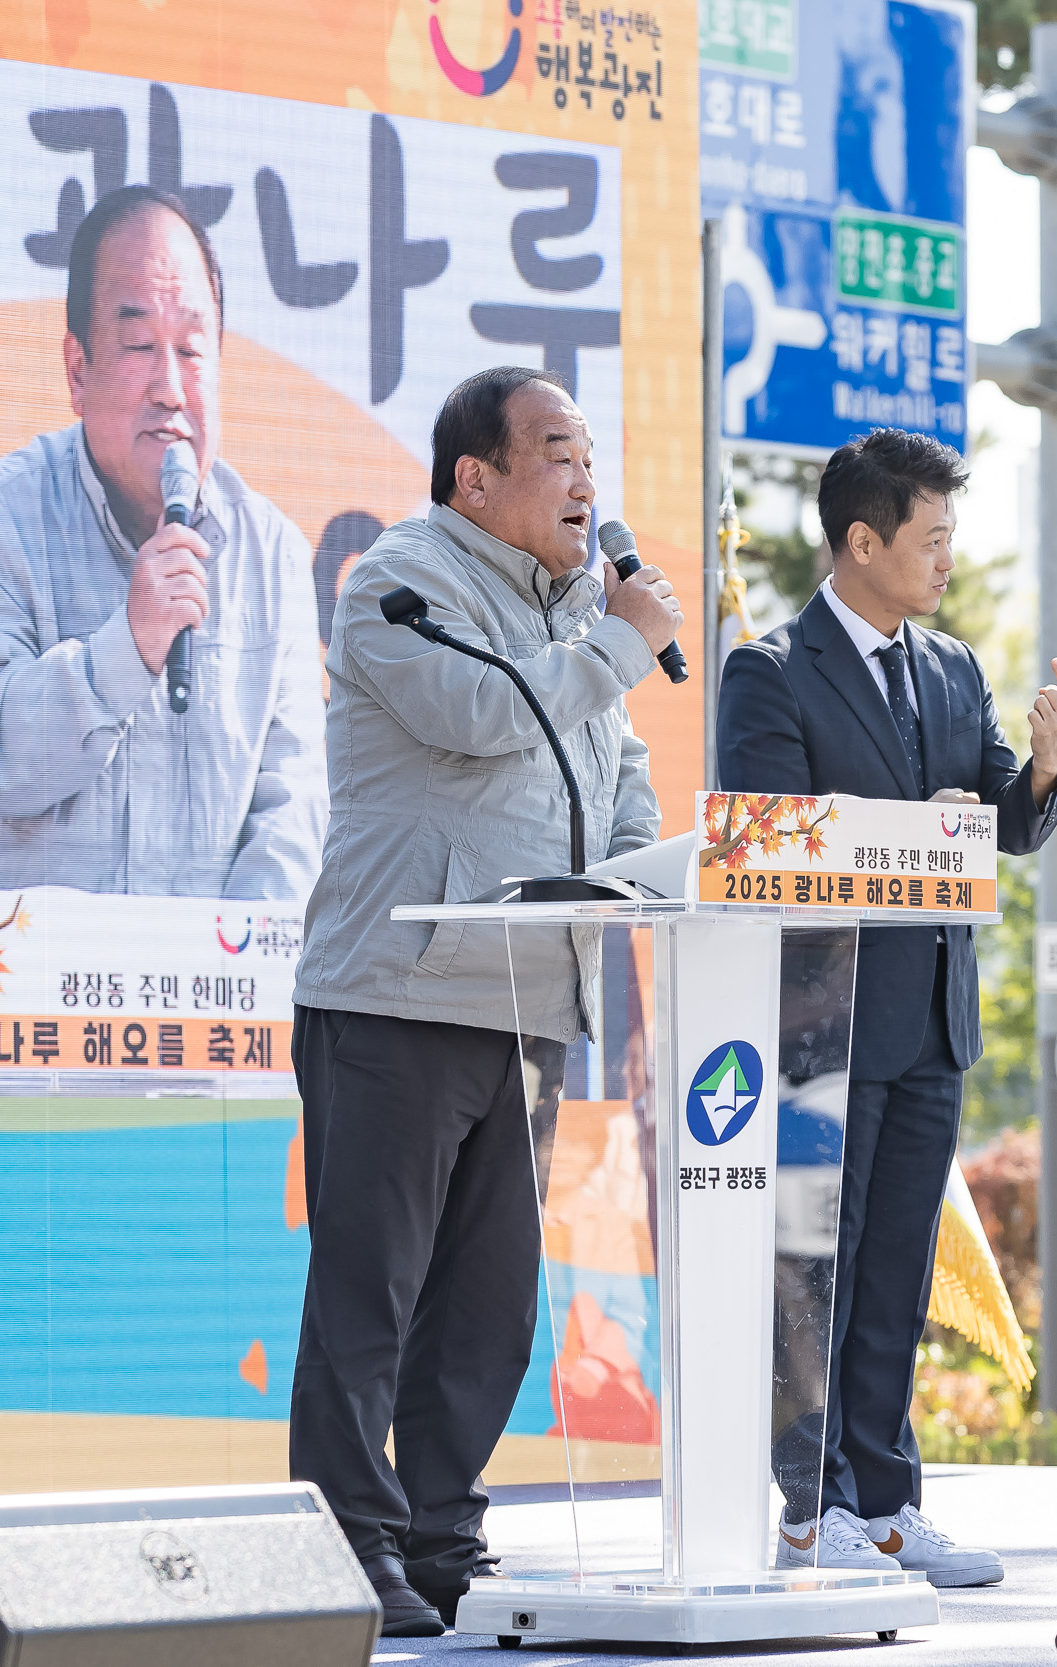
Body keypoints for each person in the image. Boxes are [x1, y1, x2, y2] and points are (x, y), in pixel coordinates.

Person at [288, 366, 680, 1635]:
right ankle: (353, 1538)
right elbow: (480, 712)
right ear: (476, 476)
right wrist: (613, 645)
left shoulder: (574, 610)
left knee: (489, 1300)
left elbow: (617, 775)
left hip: (523, 1001)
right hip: (397, 993)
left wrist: (638, 862)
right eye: (557, 452)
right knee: (372, 1291)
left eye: (590, 457)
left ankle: (442, 1533)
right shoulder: (401, 581)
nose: (584, 480)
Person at [717, 427, 1057, 1588]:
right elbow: (772, 846)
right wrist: (915, 827)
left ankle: (885, 1502)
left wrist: (1039, 770)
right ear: (861, 540)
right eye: (930, 540)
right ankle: (808, 1503)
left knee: (895, 1276)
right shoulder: (766, 671)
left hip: (930, 1017)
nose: (945, 563)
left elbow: (999, 824)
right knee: (813, 1268)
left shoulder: (955, 668)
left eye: (952, 541)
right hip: (822, 1024)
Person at [0, 185, 326, 897]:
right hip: (48, 997)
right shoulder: (3, 519)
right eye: (141, 345)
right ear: (78, 370)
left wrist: (221, 977)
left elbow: (293, 815)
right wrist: (129, 647)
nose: (171, 387)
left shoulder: (272, 554)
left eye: (192, 349)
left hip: (217, 998)